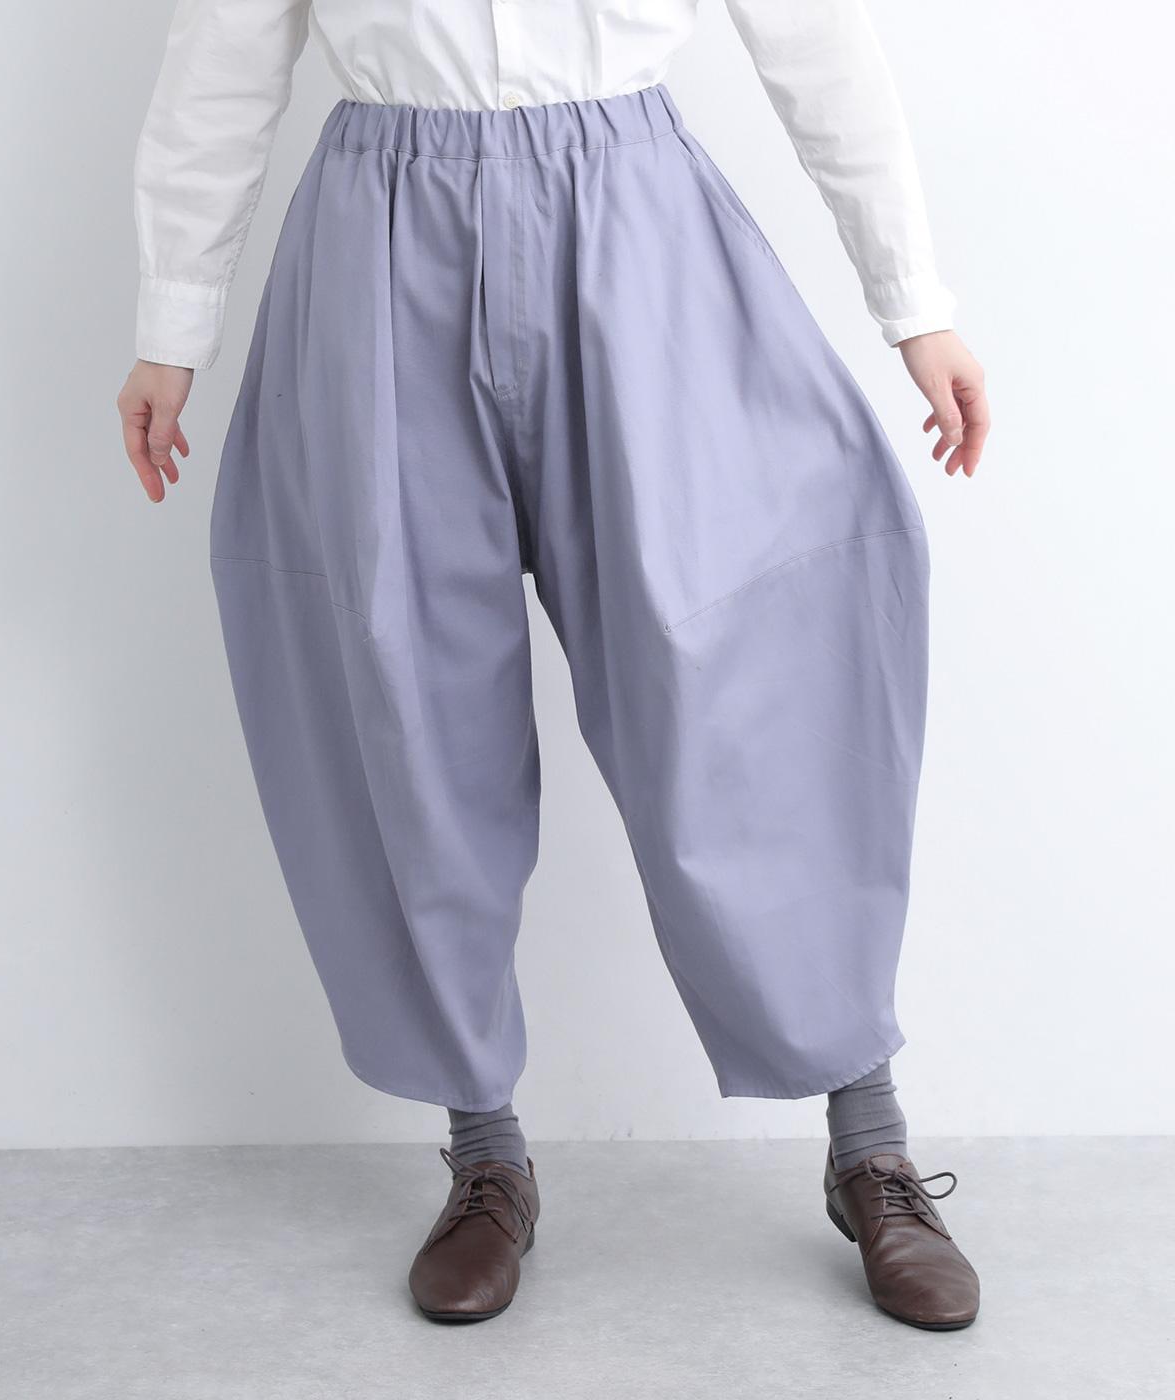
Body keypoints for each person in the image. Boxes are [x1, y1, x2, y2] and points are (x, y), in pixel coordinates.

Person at [117, 0, 990, 1330]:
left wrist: (912, 301)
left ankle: (867, 1139)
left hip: (636, 221)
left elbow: (813, 34)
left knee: (750, 668)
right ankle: (485, 1157)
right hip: (378, 228)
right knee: (404, 695)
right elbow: (224, 57)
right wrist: (173, 323)